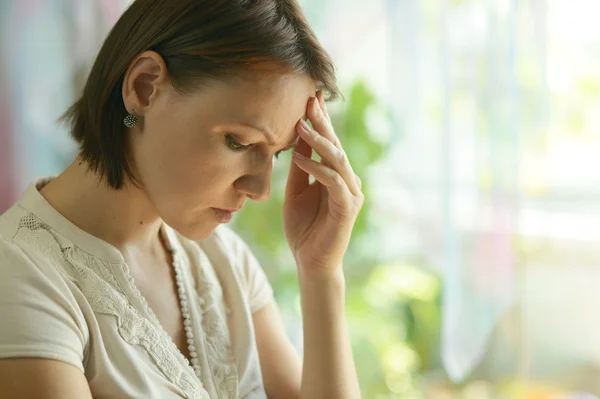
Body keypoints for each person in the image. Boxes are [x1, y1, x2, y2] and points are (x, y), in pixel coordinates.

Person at [0, 0, 363, 398]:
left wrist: (321, 272)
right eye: (238, 141)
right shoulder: (20, 276)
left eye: (275, 153)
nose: (260, 191)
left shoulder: (225, 261)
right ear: (144, 87)